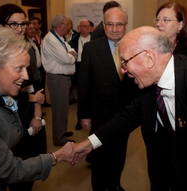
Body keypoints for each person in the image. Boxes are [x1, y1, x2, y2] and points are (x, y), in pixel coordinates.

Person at [72, 25, 187, 191]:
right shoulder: (148, 88)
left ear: (149, 58)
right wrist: (88, 144)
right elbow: (126, 118)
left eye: (124, 61)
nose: (122, 69)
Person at [0, 27, 76, 191]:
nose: (25, 76)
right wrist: (57, 156)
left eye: (26, 68)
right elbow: (11, 170)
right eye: (19, 68)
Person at [77, 7, 139, 191]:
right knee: (99, 156)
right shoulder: (91, 48)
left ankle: (115, 184)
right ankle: (99, 187)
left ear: (125, 25)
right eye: (110, 24)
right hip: (99, 114)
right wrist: (84, 115)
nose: (114, 28)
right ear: (103, 25)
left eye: (119, 24)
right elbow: (83, 84)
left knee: (119, 153)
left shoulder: (134, 47)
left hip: (124, 113)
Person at [0, 4, 46, 191]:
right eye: (13, 24)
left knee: (24, 168)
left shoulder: (27, 48)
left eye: (22, 23)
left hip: (23, 113)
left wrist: (37, 115)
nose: (20, 28)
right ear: (0, 26)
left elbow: (35, 86)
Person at [41, 14, 77, 146]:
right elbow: (66, 59)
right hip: (58, 79)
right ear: (60, 25)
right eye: (67, 24)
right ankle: (59, 138)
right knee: (59, 109)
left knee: (62, 108)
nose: (68, 27)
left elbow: (71, 50)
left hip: (62, 79)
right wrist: (71, 55)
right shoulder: (51, 39)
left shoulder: (59, 38)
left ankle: (61, 132)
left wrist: (71, 54)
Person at [68, 18, 92, 130]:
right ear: (79, 29)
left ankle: (92, 118)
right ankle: (80, 120)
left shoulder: (95, 38)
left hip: (93, 67)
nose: (87, 28)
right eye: (84, 26)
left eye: (88, 26)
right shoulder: (73, 41)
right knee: (81, 95)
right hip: (78, 68)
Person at [30, 16, 51, 107]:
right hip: (36, 65)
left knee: (43, 84)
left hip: (45, 62)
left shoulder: (45, 35)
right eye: (31, 24)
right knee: (37, 84)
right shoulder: (30, 38)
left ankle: (43, 100)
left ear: (40, 24)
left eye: (35, 24)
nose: (33, 26)